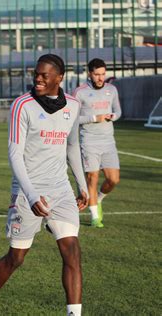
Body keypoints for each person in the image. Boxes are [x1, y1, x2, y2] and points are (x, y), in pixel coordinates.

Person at [0, 54, 89, 316]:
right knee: (16, 258)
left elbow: (72, 146)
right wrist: (32, 195)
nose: (37, 78)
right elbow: (14, 154)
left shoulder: (72, 105)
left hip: (61, 190)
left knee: (72, 252)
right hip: (28, 193)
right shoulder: (22, 105)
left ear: (59, 78)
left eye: (44, 75)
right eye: (36, 73)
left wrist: (83, 185)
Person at [72, 58, 121, 228]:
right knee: (92, 178)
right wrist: (94, 118)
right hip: (89, 142)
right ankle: (95, 218)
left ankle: (98, 199)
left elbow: (118, 110)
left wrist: (113, 116)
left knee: (113, 179)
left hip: (108, 141)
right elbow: (73, 118)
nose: (101, 78)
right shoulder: (79, 92)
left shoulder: (112, 89)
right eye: (97, 74)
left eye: (103, 74)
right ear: (90, 74)